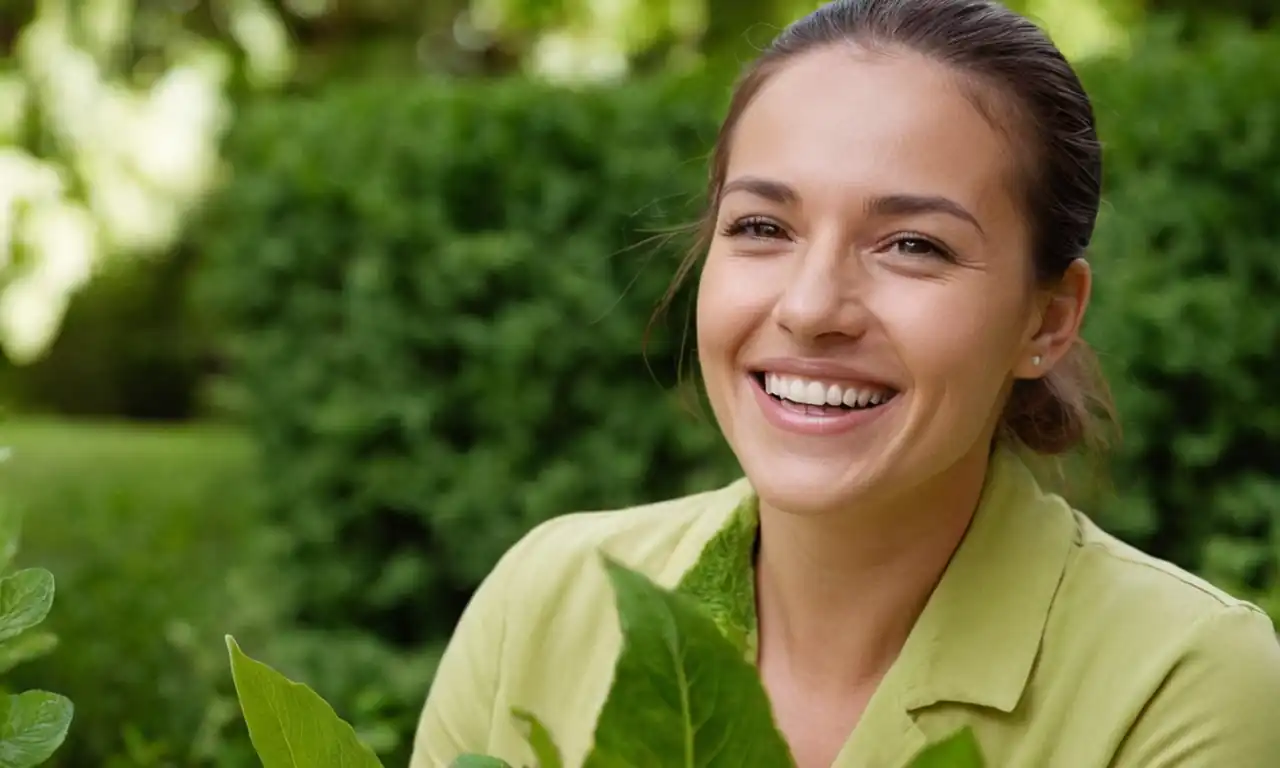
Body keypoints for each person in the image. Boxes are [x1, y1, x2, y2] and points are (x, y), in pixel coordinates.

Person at [410, 1, 1280, 766]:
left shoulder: (1182, 681)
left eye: (914, 245)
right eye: (761, 226)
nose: (812, 305)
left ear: (1047, 320)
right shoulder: (551, 599)